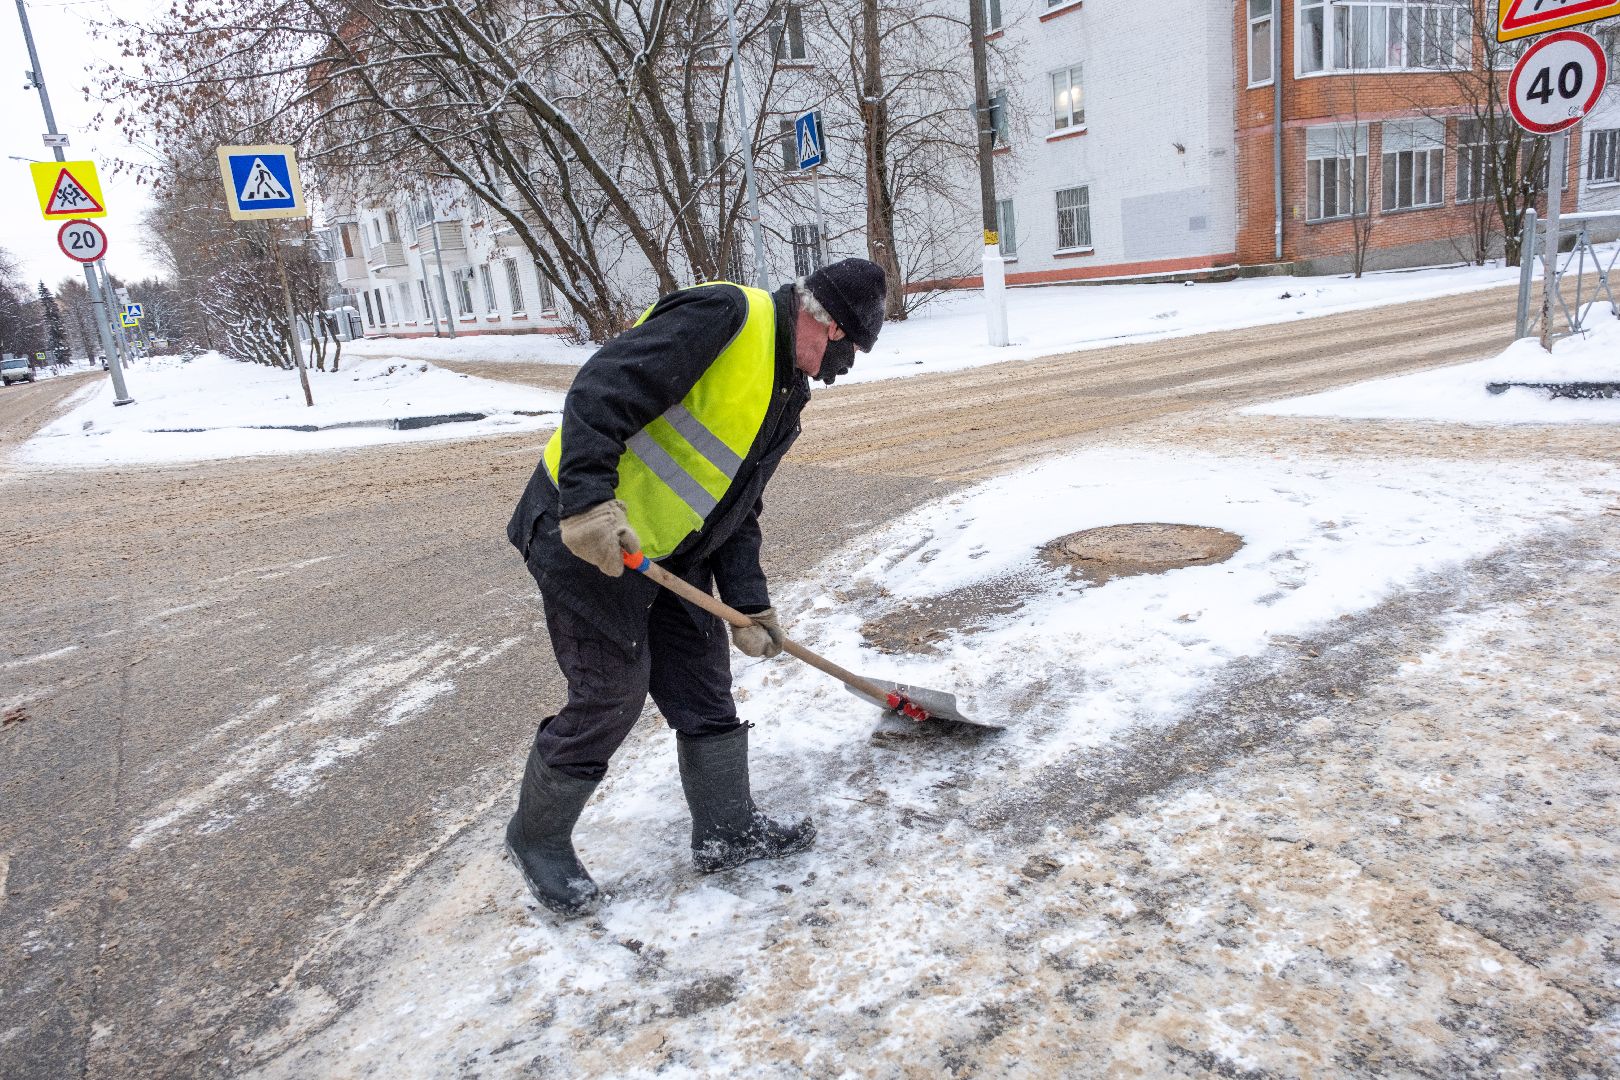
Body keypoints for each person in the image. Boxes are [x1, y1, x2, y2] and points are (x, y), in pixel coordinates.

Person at [505, 258, 889, 917]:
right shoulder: (725, 318)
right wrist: (589, 503)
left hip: (669, 556)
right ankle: (536, 837)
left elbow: (738, 510)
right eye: (843, 352)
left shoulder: (784, 396)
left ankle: (727, 833)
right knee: (609, 695)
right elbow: (600, 389)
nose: (836, 371)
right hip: (588, 537)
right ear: (823, 324)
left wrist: (748, 603)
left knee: (704, 690)